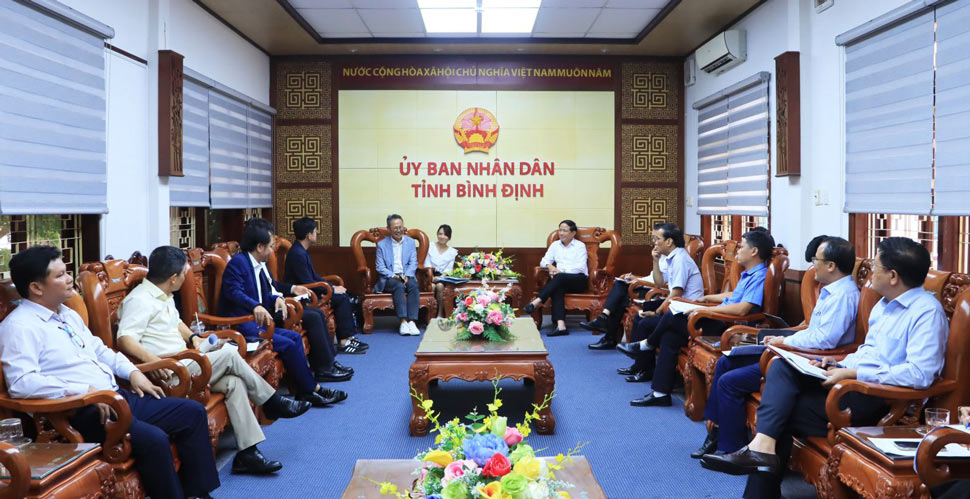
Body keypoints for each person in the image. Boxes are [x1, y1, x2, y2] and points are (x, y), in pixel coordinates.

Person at [701, 237, 948, 499]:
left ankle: (760, 471)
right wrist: (839, 363)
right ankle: (761, 456)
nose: (870, 273)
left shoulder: (926, 313)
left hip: (875, 398)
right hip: (847, 383)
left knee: (777, 414)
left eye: (876, 266)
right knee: (782, 368)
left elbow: (920, 375)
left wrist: (854, 373)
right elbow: (868, 352)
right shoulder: (884, 306)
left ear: (893, 276)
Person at [0, 246, 219, 498]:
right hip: (81, 411)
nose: (69, 278)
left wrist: (132, 373)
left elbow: (101, 351)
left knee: (191, 413)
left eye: (67, 271)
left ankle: (197, 493)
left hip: (115, 397)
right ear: (36, 288)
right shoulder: (18, 327)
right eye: (59, 275)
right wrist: (86, 392)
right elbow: (21, 382)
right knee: (154, 440)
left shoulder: (67, 314)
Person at [117, 246, 312, 475]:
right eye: (183, 273)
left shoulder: (163, 295)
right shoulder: (139, 300)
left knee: (233, 382)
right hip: (171, 372)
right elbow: (124, 339)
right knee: (230, 354)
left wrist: (193, 338)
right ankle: (271, 401)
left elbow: (175, 322)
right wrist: (154, 361)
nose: (184, 277)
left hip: (187, 361)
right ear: (173, 278)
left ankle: (247, 453)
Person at [691, 236, 859, 459]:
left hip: (807, 360)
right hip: (796, 351)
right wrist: (784, 335)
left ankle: (729, 447)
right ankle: (716, 432)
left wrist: (785, 341)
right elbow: (813, 332)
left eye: (816, 260)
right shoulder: (830, 291)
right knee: (725, 362)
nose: (812, 265)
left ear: (831, 265)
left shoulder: (844, 296)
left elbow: (824, 342)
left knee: (729, 382)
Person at [621, 229, 775, 407]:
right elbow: (735, 296)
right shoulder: (749, 273)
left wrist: (710, 309)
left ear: (754, 251)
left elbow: (743, 308)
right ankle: (660, 392)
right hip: (718, 316)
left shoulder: (760, 276)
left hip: (726, 326)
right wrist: (708, 298)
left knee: (672, 315)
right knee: (669, 335)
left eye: (741, 247)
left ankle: (646, 345)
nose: (738, 251)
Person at [219, 218, 348, 407]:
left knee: (294, 339)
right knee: (288, 343)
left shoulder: (257, 264)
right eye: (271, 246)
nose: (273, 251)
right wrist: (255, 305)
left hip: (261, 322)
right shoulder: (239, 263)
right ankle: (312, 390)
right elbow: (233, 292)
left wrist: (277, 298)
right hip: (243, 325)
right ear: (260, 246)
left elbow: (267, 292)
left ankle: (309, 390)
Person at [583, 223, 703, 352]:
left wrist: (657, 312)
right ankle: (637, 363)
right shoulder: (670, 257)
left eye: (656, 239)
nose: (654, 243)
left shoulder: (680, 259)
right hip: (674, 303)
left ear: (669, 241)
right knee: (632, 305)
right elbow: (659, 282)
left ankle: (609, 330)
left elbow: (674, 293)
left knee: (629, 302)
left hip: (684, 308)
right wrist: (655, 261)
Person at [286, 217, 369, 354]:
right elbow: (307, 282)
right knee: (341, 299)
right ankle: (343, 341)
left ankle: (348, 337)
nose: (316, 233)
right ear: (309, 235)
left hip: (311, 289)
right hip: (303, 295)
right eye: (315, 231)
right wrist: (330, 289)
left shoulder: (301, 250)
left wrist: (331, 286)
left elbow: (314, 277)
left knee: (344, 295)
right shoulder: (297, 254)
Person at [523, 220, 588, 336]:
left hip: (578, 280)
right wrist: (550, 266)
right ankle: (561, 326)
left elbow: (580, 267)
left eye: (565, 231)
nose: (561, 233)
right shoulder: (555, 245)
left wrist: (560, 272)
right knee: (557, 286)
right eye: (560, 230)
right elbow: (544, 261)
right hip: (560, 281)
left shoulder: (580, 246)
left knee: (558, 278)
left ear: (573, 233)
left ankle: (536, 302)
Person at [375, 214, 421, 336]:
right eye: (395, 228)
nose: (398, 230)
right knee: (398, 285)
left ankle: (412, 321)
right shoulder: (381, 245)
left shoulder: (410, 242)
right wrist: (393, 275)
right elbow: (380, 267)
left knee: (413, 285)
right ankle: (403, 321)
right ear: (389, 229)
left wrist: (407, 275)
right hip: (390, 278)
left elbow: (413, 262)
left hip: (406, 275)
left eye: (400, 227)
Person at [425, 224, 458, 317]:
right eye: (440, 234)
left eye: (445, 235)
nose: (442, 237)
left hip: (442, 277)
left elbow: (448, 269)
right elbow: (426, 264)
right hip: (428, 275)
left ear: (449, 237)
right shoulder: (430, 246)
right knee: (432, 286)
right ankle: (430, 314)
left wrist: (440, 277)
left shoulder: (452, 252)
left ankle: (440, 313)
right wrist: (431, 276)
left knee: (439, 286)